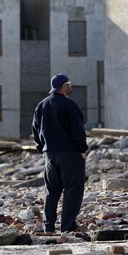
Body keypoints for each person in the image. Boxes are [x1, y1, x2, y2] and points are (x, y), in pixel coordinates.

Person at [32, 73, 88, 234]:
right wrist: (82, 149)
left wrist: (41, 148)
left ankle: (48, 226)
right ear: (64, 86)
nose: (71, 87)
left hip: (49, 154)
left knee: (51, 190)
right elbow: (77, 130)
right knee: (72, 190)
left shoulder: (41, 105)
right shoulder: (69, 106)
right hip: (70, 154)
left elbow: (35, 130)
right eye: (69, 84)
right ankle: (68, 225)